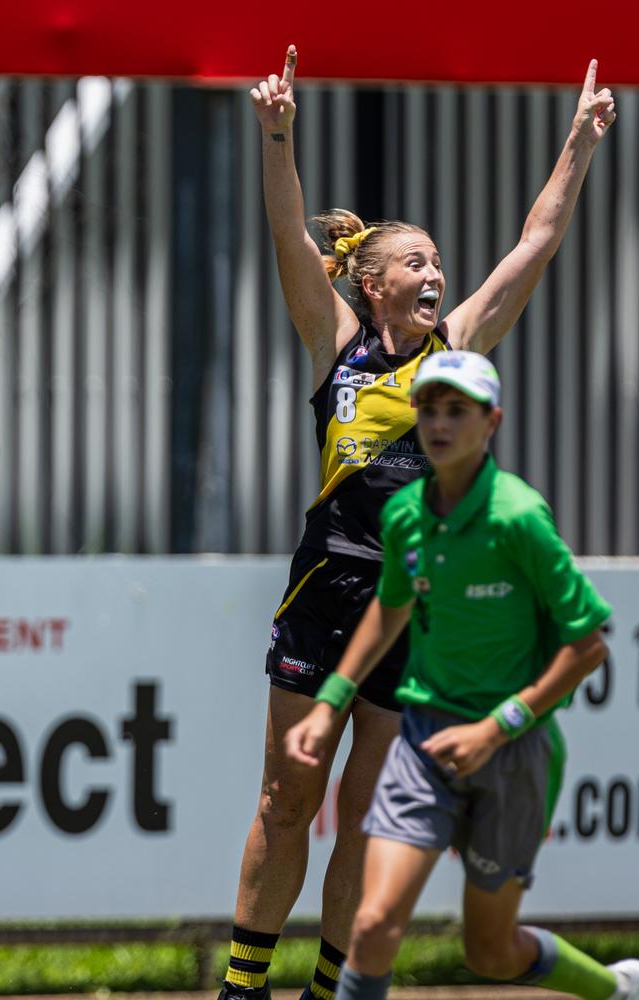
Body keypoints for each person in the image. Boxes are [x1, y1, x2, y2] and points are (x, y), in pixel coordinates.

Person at [218, 45, 616, 1000]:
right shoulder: (336, 344)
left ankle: (330, 988)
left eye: (440, 260)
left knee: (364, 810)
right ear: (371, 281)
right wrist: (278, 138)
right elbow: (285, 235)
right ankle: (241, 987)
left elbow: (537, 242)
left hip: (410, 597)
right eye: (416, 260)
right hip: (328, 588)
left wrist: (580, 144)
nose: (436, 270)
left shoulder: (461, 342)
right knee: (286, 799)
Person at [285, 349, 639, 1000]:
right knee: (373, 924)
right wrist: (331, 697)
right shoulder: (405, 516)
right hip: (422, 741)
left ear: (491, 421)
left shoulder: (518, 517)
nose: (440, 424)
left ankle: (613, 989)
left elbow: (587, 646)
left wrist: (496, 729)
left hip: (514, 750)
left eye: (458, 411)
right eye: (428, 409)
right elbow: (391, 608)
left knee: (491, 952)